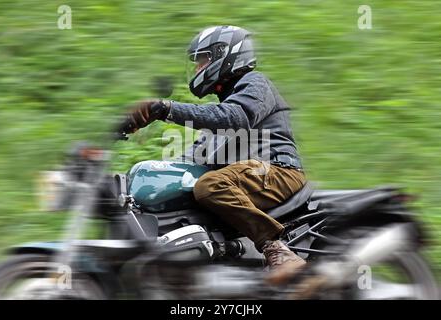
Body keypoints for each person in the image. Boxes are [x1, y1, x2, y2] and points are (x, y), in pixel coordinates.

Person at [119, 25, 307, 285]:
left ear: (226, 54)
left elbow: (235, 118)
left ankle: (277, 249)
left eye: (203, 60)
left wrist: (166, 109)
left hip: (277, 171)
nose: (197, 69)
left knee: (210, 185)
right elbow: (189, 161)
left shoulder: (254, 84)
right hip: (245, 178)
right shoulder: (220, 115)